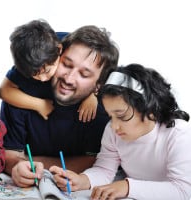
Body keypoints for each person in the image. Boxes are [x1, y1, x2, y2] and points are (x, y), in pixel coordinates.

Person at [0, 25, 119, 187]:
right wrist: (16, 166)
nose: (69, 79)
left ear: (99, 85)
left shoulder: (106, 108)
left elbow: (98, 161)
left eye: (84, 74)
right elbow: (9, 154)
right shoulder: (25, 86)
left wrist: (31, 160)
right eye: (67, 64)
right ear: (58, 54)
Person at [50, 64, 191, 200]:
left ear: (151, 110)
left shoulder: (178, 133)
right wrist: (82, 180)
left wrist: (127, 187)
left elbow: (183, 191)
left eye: (122, 116)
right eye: (110, 117)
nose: (114, 126)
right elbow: (104, 170)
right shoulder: (113, 132)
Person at [0, 19, 97, 122]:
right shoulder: (28, 62)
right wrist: (39, 105)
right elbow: (4, 90)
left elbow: (99, 66)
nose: (42, 79)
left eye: (47, 71)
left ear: (59, 49)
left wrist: (92, 94)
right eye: (35, 74)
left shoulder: (75, 47)